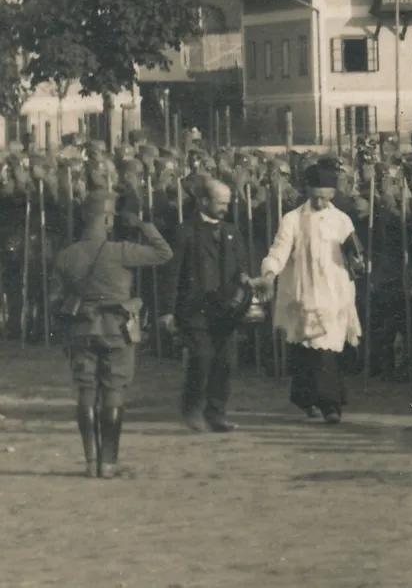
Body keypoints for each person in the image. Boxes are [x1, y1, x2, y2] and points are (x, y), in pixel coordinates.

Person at [49, 190, 173, 479]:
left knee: (86, 390)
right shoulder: (120, 251)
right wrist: (141, 225)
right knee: (114, 390)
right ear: (107, 219)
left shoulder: (66, 255)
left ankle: (90, 461)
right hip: (117, 330)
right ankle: (109, 463)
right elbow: (164, 253)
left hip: (81, 329)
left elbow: (54, 300)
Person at [253, 161, 364, 424]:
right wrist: (269, 273)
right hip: (305, 293)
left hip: (336, 295)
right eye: (316, 198)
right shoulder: (292, 220)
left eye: (326, 198)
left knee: (328, 352)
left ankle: (330, 405)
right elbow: (278, 251)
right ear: (307, 192)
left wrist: (359, 263)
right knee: (308, 352)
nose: (321, 203)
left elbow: (355, 254)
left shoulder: (342, 221)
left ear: (333, 195)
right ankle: (308, 400)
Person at [158, 177, 252, 433]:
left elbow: (242, 267)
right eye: (220, 202)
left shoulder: (232, 231)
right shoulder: (185, 231)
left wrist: (245, 287)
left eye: (227, 203)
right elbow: (172, 273)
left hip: (226, 309)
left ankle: (217, 413)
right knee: (201, 358)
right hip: (194, 307)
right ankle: (192, 410)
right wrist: (167, 310)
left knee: (225, 362)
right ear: (203, 201)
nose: (224, 208)